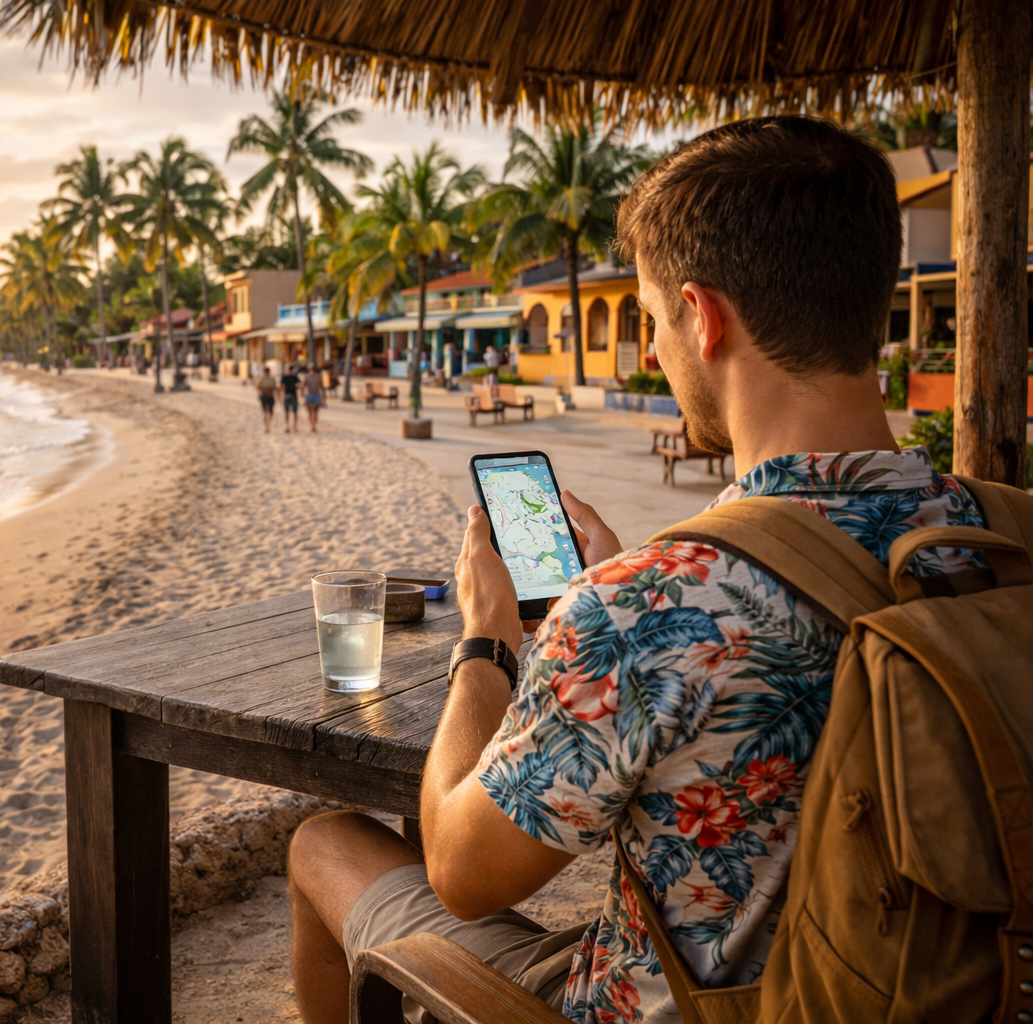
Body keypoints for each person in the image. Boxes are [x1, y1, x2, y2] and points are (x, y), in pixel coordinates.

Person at [286, 116, 988, 1024]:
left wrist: (488, 643)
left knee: (323, 844)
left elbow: (463, 873)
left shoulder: (646, 611)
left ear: (703, 318)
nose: (655, 348)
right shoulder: (1003, 535)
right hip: (939, 990)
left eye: (654, 318)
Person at [302, 364, 325, 433]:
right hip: (317, 396)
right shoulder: (319, 376)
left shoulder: (307, 376)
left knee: (309, 412)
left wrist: (302, 394)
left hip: (309, 396)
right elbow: (322, 387)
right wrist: (324, 397)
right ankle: (314, 426)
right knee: (315, 412)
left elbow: (303, 386)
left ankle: (311, 425)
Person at [280, 364, 302, 434]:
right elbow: (299, 386)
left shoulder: (285, 377)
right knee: (294, 412)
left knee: (287, 412)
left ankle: (288, 426)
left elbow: (282, 388)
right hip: (293, 396)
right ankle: (293, 427)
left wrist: (281, 397)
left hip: (287, 395)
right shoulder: (295, 377)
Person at [256, 366, 277, 433]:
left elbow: (258, 387)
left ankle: (266, 426)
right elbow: (274, 388)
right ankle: (268, 425)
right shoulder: (272, 379)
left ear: (264, 372)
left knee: (265, 412)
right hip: (270, 396)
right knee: (270, 412)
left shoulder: (262, 379)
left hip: (263, 397)